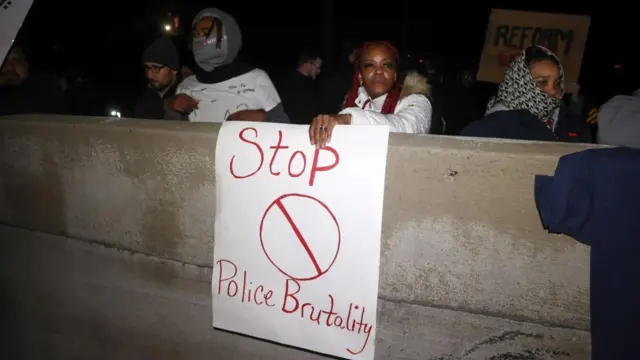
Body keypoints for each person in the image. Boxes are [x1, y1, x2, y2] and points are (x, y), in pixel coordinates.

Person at [173, 7, 289, 123]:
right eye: (196, 34)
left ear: (228, 35)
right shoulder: (186, 86)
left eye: (206, 32)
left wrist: (263, 117)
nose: (199, 39)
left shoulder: (256, 78)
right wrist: (172, 108)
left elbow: (283, 125)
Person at [309, 41, 432, 148]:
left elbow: (407, 129)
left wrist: (350, 119)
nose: (379, 71)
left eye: (386, 65)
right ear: (360, 77)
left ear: (395, 75)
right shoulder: (354, 102)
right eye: (370, 65)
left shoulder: (416, 100)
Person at [461, 46, 591, 143]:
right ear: (519, 83)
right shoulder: (491, 129)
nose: (552, 90)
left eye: (557, 83)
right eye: (542, 82)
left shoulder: (569, 123)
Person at [0, 45, 65, 116]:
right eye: (3, 60)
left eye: (15, 59)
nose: (9, 66)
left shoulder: (44, 85)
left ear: (26, 62)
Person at [134, 37, 183, 120]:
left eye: (156, 68)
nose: (149, 75)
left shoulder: (187, 95)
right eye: (147, 68)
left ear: (173, 70)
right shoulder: (143, 97)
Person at [278, 48, 323, 125]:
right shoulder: (289, 83)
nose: (319, 71)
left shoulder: (312, 85)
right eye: (318, 67)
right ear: (308, 64)